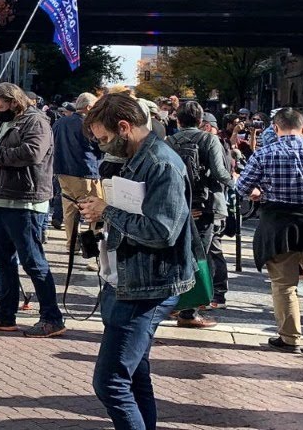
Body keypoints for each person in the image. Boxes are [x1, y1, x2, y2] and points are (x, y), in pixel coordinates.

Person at [77, 93, 194, 430]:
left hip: (146, 286)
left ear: (124, 127)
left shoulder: (160, 163)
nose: (102, 146)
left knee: (110, 382)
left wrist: (107, 211)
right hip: (128, 280)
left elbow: (162, 231)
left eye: (104, 138)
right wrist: (102, 214)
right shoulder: (137, 158)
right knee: (134, 374)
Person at [0, 82, 65, 338]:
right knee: (2, 258)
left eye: (1, 106)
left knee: (33, 260)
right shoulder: (3, 122)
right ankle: (5, 313)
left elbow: (32, 153)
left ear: (14, 102)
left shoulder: (35, 122)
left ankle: (51, 317)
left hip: (24, 201)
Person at [233, 107, 303, 353]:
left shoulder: (265, 153)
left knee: (284, 285)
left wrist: (257, 193)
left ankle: (290, 338)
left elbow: (241, 188)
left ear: (275, 127)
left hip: (278, 224)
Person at [166, 100, 233, 328]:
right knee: (199, 257)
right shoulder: (209, 139)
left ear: (177, 120)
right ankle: (189, 312)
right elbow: (219, 172)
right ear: (201, 121)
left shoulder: (169, 141)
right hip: (205, 207)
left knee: (178, 254)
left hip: (179, 206)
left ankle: (173, 304)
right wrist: (239, 184)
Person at [52, 92, 103, 259]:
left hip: (63, 171)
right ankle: (91, 249)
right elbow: (99, 146)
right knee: (93, 212)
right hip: (85, 171)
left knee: (70, 211)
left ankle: (71, 245)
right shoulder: (88, 124)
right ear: (88, 107)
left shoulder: (60, 122)